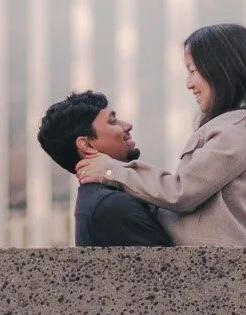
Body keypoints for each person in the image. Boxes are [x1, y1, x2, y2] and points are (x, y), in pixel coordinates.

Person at [74, 21, 246, 245]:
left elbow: (181, 192)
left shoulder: (240, 127)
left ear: (221, 68)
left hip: (221, 269)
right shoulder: (235, 125)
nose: (189, 84)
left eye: (192, 71)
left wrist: (110, 170)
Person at [36, 90, 174, 247]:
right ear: (87, 144)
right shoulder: (112, 206)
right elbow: (168, 269)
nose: (128, 126)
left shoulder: (97, 200)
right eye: (113, 121)